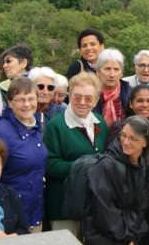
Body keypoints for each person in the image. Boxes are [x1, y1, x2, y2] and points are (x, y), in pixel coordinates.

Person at [44, 72, 109, 237]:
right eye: (77, 97)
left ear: (96, 100)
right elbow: (50, 166)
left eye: (88, 98)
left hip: (92, 202)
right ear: (69, 95)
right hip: (64, 203)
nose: (82, 102)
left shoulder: (100, 122)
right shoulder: (56, 125)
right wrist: (86, 167)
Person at [108, 85, 149, 244]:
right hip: (127, 204)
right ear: (130, 104)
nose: (145, 105)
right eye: (140, 101)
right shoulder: (119, 128)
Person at [0, 78, 46, 232]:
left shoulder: (36, 127)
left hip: (35, 211)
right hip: (10, 216)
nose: (27, 104)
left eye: (31, 99)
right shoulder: (0, 133)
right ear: (10, 102)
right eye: (20, 100)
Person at [84, 116, 149, 245]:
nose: (125, 142)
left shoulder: (144, 166)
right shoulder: (105, 166)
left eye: (133, 138)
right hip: (103, 237)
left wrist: (133, 237)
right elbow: (104, 211)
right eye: (123, 135)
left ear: (145, 143)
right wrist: (127, 238)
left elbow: (141, 207)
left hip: (127, 236)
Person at [95, 48, 132, 126]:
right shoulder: (89, 93)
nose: (112, 74)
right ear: (98, 72)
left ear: (121, 73)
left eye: (116, 69)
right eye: (107, 69)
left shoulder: (130, 93)